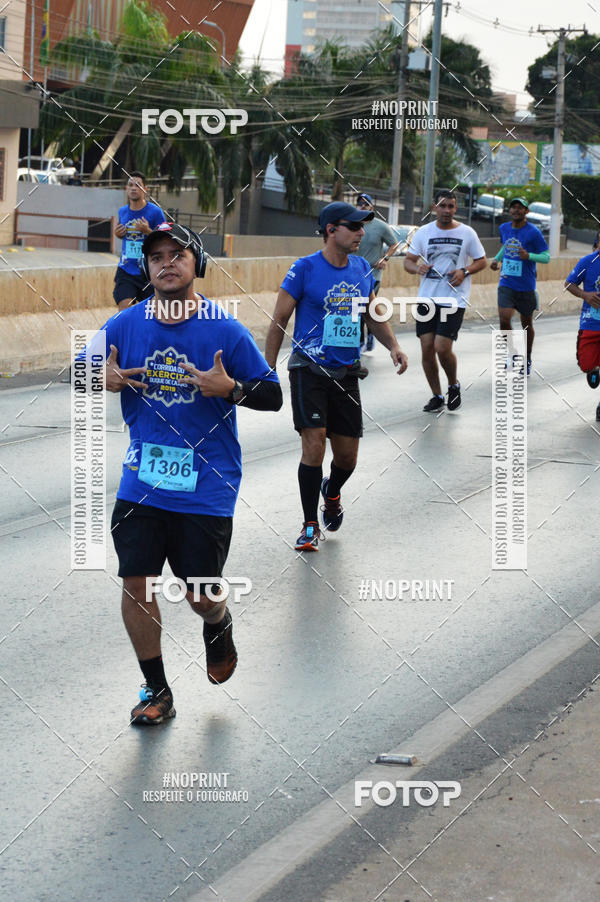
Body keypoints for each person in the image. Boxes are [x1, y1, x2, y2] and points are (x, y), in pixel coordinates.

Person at [93, 222, 282, 724]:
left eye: (177, 254)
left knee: (200, 593)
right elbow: (79, 369)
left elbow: (273, 394)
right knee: (138, 583)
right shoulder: (124, 325)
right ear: (146, 268)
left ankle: (218, 622)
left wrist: (231, 389)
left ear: (196, 263)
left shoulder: (224, 330)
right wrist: (100, 375)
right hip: (142, 479)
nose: (166, 263)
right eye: (156, 256)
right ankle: (156, 690)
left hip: (206, 484)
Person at [265, 201, 408, 551]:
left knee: (347, 457)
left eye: (362, 227)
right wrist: (265, 367)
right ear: (331, 229)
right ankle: (310, 524)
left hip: (345, 373)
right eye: (354, 226)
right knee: (314, 445)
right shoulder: (304, 269)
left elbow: (373, 314)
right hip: (308, 368)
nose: (362, 233)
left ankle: (331, 491)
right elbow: (279, 319)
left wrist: (392, 346)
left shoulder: (361, 268)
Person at [404, 188, 487, 412]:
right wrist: (417, 267)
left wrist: (464, 271)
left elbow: (481, 261)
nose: (447, 210)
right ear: (434, 208)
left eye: (451, 206)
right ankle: (437, 395)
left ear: (455, 208)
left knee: (442, 347)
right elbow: (408, 262)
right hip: (427, 299)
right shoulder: (423, 232)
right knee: (427, 348)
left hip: (453, 299)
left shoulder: (467, 233)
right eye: (442, 205)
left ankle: (453, 384)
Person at [490, 197, 549, 375]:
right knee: (504, 318)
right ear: (510, 211)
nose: (516, 210)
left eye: (520, 208)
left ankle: (527, 357)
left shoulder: (534, 232)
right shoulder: (504, 228)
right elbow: (506, 246)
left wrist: (529, 256)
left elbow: (546, 257)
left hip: (526, 285)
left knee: (526, 325)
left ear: (526, 212)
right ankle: (512, 354)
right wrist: (496, 259)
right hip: (507, 281)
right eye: (513, 207)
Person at [113, 171, 165, 311]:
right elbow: (124, 234)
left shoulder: (155, 212)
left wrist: (147, 231)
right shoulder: (122, 211)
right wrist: (118, 234)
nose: (134, 188)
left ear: (145, 189)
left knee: (152, 313)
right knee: (124, 309)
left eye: (138, 185)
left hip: (149, 271)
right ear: (126, 188)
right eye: (130, 185)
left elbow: (165, 239)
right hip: (126, 269)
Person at [355, 193, 400, 355]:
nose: (363, 206)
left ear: (372, 207)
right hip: (354, 275)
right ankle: (360, 340)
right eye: (360, 203)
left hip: (373, 275)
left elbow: (394, 244)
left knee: (365, 307)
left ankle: (369, 337)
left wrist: (385, 259)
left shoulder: (380, 226)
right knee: (356, 308)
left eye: (366, 203)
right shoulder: (353, 225)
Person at [564, 232, 600, 421]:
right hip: (590, 323)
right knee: (586, 364)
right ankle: (594, 369)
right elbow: (569, 283)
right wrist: (585, 295)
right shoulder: (587, 261)